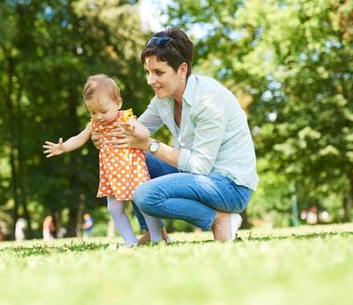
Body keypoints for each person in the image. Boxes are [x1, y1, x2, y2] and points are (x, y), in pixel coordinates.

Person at [94, 28, 258, 241]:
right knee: (131, 152)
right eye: (148, 72)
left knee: (146, 195)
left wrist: (150, 144)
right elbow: (133, 132)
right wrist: (107, 138)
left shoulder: (208, 101)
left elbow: (200, 166)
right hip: (199, 178)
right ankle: (155, 233)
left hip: (230, 186)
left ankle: (219, 218)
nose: (150, 80)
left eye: (158, 73)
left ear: (182, 70)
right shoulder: (164, 99)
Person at [43, 74, 163, 247]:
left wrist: (134, 130)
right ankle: (130, 241)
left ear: (118, 103)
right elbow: (79, 138)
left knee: (144, 205)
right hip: (112, 175)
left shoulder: (125, 118)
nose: (98, 116)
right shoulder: (95, 124)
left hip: (132, 170)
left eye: (103, 111)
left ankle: (157, 238)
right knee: (114, 209)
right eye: (93, 112)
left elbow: (145, 134)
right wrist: (63, 148)